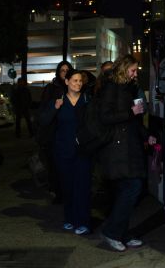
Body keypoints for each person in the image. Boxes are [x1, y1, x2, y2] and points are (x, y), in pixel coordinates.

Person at [98, 54, 157, 252]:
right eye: (132, 70)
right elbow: (104, 117)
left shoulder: (128, 88)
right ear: (123, 69)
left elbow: (135, 120)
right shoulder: (111, 88)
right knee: (132, 187)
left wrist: (146, 135)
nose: (134, 74)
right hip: (117, 148)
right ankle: (112, 231)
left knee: (130, 189)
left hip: (130, 145)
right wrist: (130, 113)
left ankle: (120, 232)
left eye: (135, 70)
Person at [38, 68, 92, 235]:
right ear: (67, 82)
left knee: (82, 187)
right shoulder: (59, 101)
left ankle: (83, 222)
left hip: (83, 151)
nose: (78, 83)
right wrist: (54, 108)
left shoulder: (87, 100)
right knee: (68, 187)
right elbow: (43, 121)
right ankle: (70, 218)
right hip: (63, 151)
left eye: (80, 81)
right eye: (74, 80)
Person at [37, 60, 73, 203]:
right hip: (53, 133)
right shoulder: (51, 89)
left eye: (67, 70)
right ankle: (57, 192)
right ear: (58, 73)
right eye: (62, 70)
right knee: (55, 166)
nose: (64, 73)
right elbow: (43, 112)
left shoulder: (74, 87)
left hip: (69, 132)